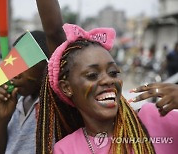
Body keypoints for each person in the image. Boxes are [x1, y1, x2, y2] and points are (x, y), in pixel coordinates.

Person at [36, 22, 178, 154]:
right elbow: (53, 30)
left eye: (113, 73)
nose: (108, 80)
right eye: (92, 75)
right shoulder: (65, 149)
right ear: (67, 88)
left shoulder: (156, 117)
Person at [0, 31, 50, 154]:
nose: (15, 73)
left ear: (47, 66)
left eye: (24, 63)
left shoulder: (54, 104)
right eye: (14, 63)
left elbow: (54, 31)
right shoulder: (16, 101)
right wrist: (3, 119)